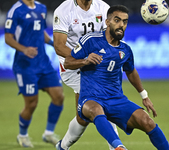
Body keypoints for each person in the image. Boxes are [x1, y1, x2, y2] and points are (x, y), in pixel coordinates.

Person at [61, 5, 169, 150]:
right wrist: (85, 60)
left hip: (116, 99)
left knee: (147, 121)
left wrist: (144, 96)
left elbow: (131, 72)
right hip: (90, 98)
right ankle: (119, 147)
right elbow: (68, 62)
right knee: (95, 110)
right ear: (107, 22)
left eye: (125, 22)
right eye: (117, 20)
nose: (121, 25)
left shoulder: (125, 50)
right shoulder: (91, 40)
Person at [53, 0, 118, 150]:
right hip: (72, 66)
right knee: (103, 100)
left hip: (95, 64)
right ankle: (116, 147)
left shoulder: (103, 8)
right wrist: (83, 58)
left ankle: (62, 146)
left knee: (82, 117)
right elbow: (59, 46)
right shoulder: (63, 10)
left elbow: (110, 38)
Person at [4, 0, 64, 148]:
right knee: (32, 103)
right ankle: (22, 135)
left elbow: (40, 31)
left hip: (43, 63)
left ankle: (48, 133)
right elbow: (8, 38)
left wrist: (52, 44)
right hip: (25, 65)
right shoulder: (16, 11)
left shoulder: (41, 7)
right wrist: (24, 49)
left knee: (59, 96)